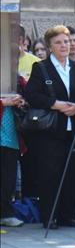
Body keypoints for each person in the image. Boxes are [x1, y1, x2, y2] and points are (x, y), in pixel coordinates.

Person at [21, 25, 75, 228]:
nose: (64, 45)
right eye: (58, 42)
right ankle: (50, 215)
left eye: (66, 41)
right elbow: (32, 95)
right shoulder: (41, 68)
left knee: (73, 173)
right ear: (50, 46)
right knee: (50, 173)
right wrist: (55, 105)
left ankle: (68, 215)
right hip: (51, 130)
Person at [1, 94, 26, 227]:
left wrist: (20, 101)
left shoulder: (16, 81)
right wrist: (3, 103)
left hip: (11, 138)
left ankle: (6, 214)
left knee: (8, 179)